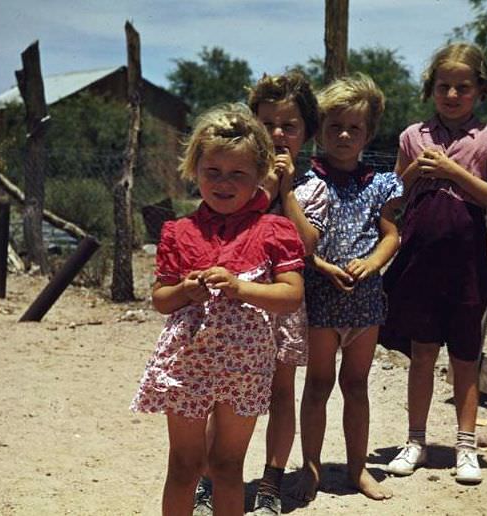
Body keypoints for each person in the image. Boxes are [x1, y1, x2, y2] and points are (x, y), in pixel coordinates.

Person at [130, 103, 306, 516]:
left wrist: (241, 287)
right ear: (195, 169)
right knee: (184, 465)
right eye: (213, 171)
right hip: (188, 363)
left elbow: (291, 294)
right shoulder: (180, 231)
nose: (224, 183)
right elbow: (161, 298)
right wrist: (186, 291)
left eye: (237, 174)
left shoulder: (274, 231)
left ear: (259, 175)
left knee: (227, 466)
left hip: (244, 366)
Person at [192, 72, 327, 516]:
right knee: (221, 391)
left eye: (289, 125)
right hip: (234, 303)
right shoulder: (239, 176)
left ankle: (271, 480)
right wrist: (263, 183)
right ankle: (210, 478)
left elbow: (306, 246)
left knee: (281, 390)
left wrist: (284, 191)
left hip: (281, 302)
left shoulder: (313, 186)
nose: (278, 134)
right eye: (268, 123)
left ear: (307, 132)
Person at [380, 42, 487, 485]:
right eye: (443, 87)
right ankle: (415, 441)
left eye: (462, 87)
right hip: (420, 261)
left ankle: (466, 446)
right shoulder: (412, 136)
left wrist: (455, 172)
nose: (452, 95)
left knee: (465, 356)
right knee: (421, 353)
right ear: (430, 89)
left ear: (481, 89)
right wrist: (413, 171)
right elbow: (392, 198)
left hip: (466, 264)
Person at [293, 73, 403, 502]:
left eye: (354, 128)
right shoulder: (307, 183)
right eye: (334, 125)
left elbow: (391, 235)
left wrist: (373, 264)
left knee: (356, 385)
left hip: (365, 304)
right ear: (320, 129)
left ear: (368, 132)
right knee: (318, 385)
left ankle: (357, 470)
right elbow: (297, 244)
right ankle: (312, 468)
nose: (343, 135)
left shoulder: (380, 185)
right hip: (322, 300)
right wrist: (320, 265)